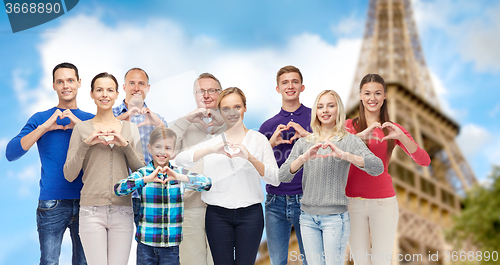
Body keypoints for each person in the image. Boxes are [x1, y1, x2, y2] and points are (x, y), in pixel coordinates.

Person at [175, 87, 280, 265]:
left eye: (237, 107)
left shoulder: (258, 140)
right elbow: (179, 160)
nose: (232, 113)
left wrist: (251, 158)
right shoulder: (212, 141)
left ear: (245, 108)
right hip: (217, 215)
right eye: (225, 108)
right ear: (220, 111)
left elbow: (275, 179)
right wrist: (210, 149)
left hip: (251, 215)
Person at [279, 90, 384, 265]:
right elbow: (283, 175)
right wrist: (303, 158)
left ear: (338, 110)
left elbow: (377, 167)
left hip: (335, 218)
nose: (325, 110)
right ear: (315, 112)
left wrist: (345, 155)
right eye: (320, 106)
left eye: (330, 105)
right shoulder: (304, 143)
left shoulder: (349, 141)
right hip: (307, 218)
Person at [6, 62, 93, 265]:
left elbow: (109, 152)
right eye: (60, 81)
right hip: (51, 204)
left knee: (84, 262)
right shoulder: (41, 118)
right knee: (49, 262)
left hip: (88, 203)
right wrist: (45, 127)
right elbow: (11, 153)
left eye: (70, 80)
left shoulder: (90, 120)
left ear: (79, 83)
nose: (66, 85)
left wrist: (80, 127)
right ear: (53, 85)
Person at [345, 74, 430, 265]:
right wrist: (358, 137)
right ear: (360, 95)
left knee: (382, 261)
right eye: (367, 93)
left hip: (383, 202)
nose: (372, 98)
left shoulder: (393, 129)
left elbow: (424, 160)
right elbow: (333, 152)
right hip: (352, 203)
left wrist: (402, 136)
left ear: (385, 96)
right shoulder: (348, 127)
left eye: (377, 93)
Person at [64, 72, 145, 265]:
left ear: (117, 94)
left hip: (123, 211)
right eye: (99, 90)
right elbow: (69, 174)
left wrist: (125, 145)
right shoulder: (81, 128)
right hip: (90, 212)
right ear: (91, 94)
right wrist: (86, 144)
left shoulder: (130, 129)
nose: (104, 94)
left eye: (110, 90)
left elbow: (141, 171)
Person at [114, 126, 212, 265]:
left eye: (167, 148)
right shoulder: (143, 173)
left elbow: (207, 184)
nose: (162, 152)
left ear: (174, 151)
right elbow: (119, 189)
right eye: (158, 147)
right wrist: (145, 180)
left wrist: (180, 177)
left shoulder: (178, 173)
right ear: (150, 148)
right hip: (146, 244)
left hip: (171, 246)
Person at [171, 73, 225, 265]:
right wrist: (186, 119)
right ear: (194, 95)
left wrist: (224, 122)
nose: (206, 95)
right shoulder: (183, 124)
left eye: (212, 90)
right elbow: (166, 150)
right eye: (201, 91)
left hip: (223, 208)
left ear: (221, 93)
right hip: (191, 206)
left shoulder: (231, 124)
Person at [259, 65, 311, 265]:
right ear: (277, 89)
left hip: (308, 198)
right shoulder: (267, 126)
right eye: (285, 82)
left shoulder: (316, 118)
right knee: (277, 261)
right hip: (275, 202)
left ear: (302, 87)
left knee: (311, 260)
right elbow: (256, 164)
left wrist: (309, 136)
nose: (290, 86)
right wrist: (270, 143)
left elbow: (332, 147)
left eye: (295, 81)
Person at [113, 67, 168, 227]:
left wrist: (159, 126)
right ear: (124, 87)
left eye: (141, 83)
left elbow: (171, 154)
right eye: (131, 83)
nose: (136, 88)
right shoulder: (110, 115)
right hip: (117, 194)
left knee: (151, 249)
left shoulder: (158, 120)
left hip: (149, 195)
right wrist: (122, 120)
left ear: (148, 88)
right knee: (115, 249)